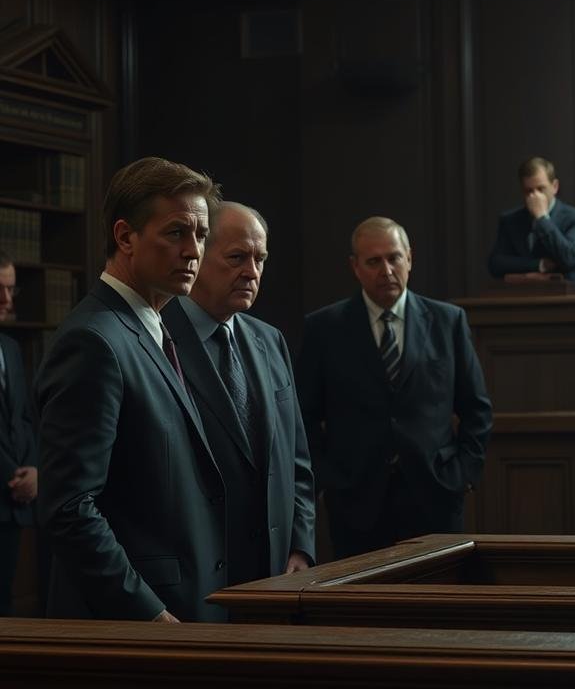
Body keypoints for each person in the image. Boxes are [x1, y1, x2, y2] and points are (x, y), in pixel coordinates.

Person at [35, 157, 227, 622]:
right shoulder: (95, 340)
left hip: (188, 606)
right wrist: (150, 614)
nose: (193, 251)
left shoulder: (154, 329)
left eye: (201, 235)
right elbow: (69, 509)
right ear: (125, 237)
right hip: (136, 625)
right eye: (177, 232)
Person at [298, 216, 492, 559]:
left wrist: (463, 474)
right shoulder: (323, 328)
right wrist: (328, 477)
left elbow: (477, 409)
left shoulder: (448, 321)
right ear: (355, 267)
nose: (386, 269)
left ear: (410, 258)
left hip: (436, 496)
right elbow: (304, 416)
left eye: (394, 257)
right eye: (373, 261)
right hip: (355, 501)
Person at [162, 202, 316, 590]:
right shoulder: (155, 337)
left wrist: (300, 546)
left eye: (260, 259)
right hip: (193, 579)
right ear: (196, 256)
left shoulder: (270, 339)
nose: (252, 272)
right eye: (236, 258)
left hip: (275, 572)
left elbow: (296, 459)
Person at [488, 157, 575, 293]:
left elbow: (570, 258)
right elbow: (496, 264)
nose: (534, 196)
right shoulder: (510, 220)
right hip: (523, 300)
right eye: (528, 191)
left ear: (555, 187)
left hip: (568, 301)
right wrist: (540, 264)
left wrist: (542, 218)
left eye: (540, 189)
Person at [0, 251, 36, 616]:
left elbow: (24, 420)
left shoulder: (10, 348)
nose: (6, 300)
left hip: (14, 507)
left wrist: (35, 469)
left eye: (11, 289)